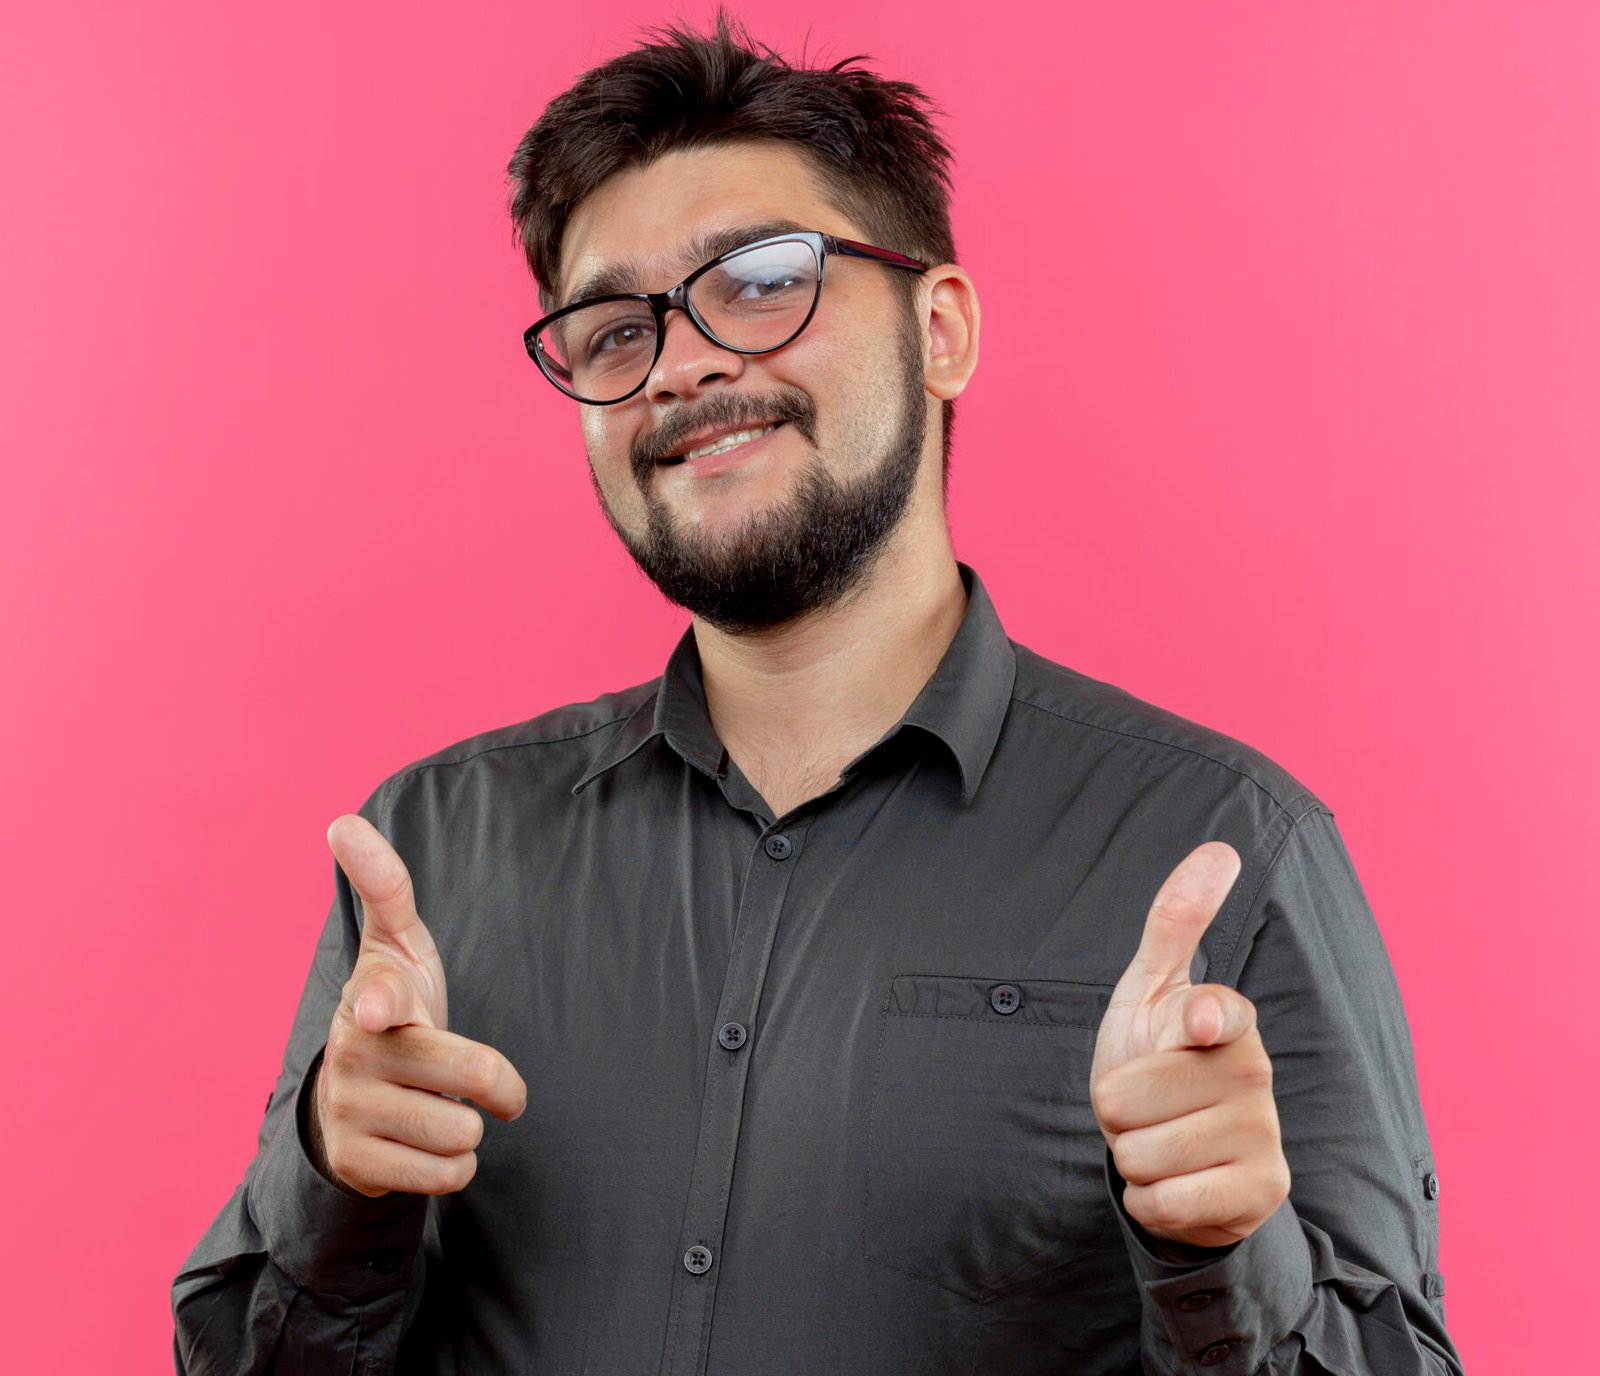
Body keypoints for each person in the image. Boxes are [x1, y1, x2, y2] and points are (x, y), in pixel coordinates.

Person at [173, 15, 1463, 1375]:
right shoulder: (438, 849)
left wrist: (1222, 1253)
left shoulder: (1228, 851)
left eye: (761, 280)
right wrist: (335, 1185)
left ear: (940, 329)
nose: (681, 364)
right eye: (614, 330)